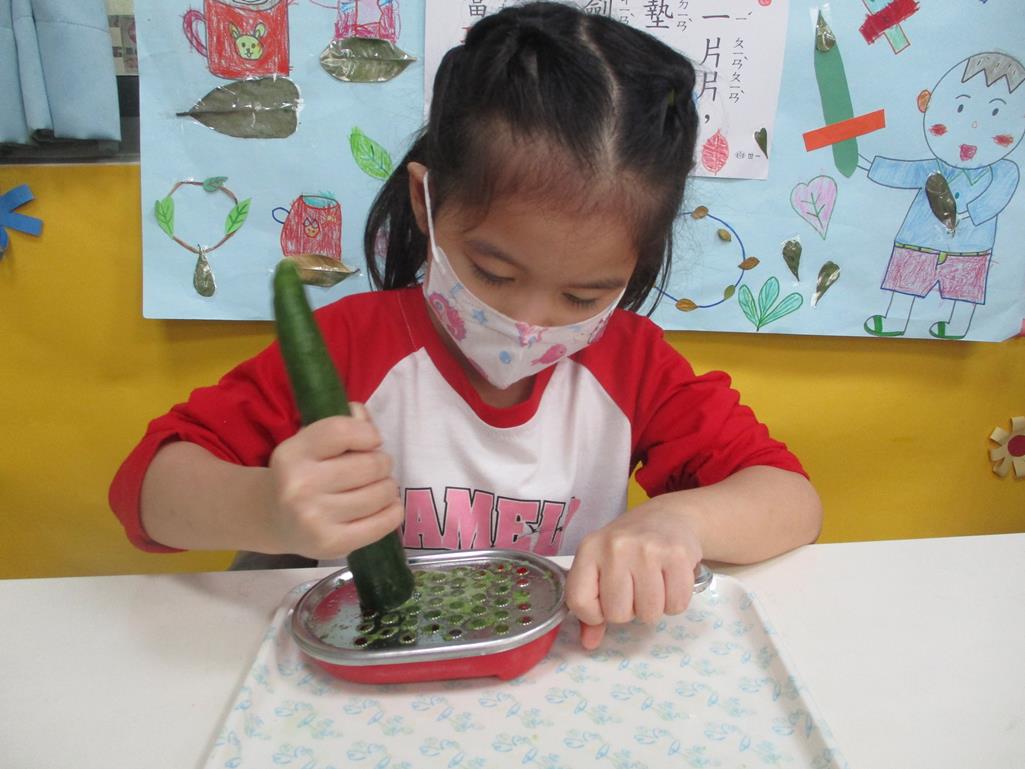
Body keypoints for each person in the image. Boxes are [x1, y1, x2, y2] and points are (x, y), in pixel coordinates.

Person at [110, 2, 821, 650]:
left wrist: (678, 522)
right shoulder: (349, 347)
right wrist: (267, 509)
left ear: (638, 264)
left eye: (583, 295)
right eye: (494, 274)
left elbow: (791, 500)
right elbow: (145, 492)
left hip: (554, 672)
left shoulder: (632, 365)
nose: (527, 322)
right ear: (426, 203)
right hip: (368, 674)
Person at [860, 52, 1024, 340]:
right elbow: (903, 172)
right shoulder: (933, 167)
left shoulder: (1004, 171)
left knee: (964, 287)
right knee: (907, 279)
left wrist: (970, 213)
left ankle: (959, 326)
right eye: (960, 108)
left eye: (995, 113)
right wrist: (863, 162)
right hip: (918, 239)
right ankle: (895, 318)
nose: (974, 126)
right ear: (927, 103)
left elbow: (997, 196)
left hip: (971, 244)